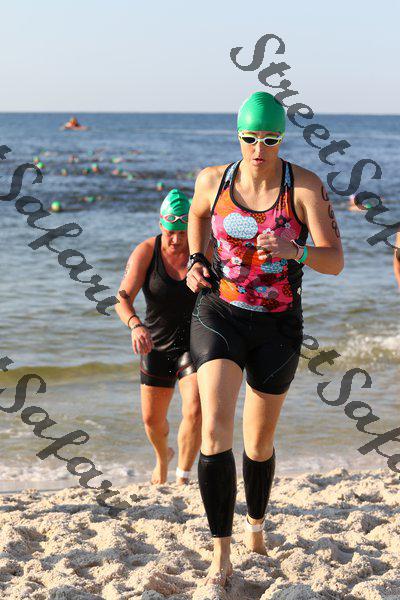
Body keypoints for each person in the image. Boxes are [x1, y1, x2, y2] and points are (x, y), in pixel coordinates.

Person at [186, 91, 344, 589]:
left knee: (257, 444)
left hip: (278, 325)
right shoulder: (213, 181)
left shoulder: (305, 188)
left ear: (282, 138)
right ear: (238, 135)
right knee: (215, 431)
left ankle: (256, 527)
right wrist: (195, 258)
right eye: (250, 138)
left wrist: (296, 250)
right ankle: (220, 553)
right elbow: (196, 216)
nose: (259, 149)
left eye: (270, 139)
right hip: (219, 313)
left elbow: (335, 260)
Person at [115, 189, 208, 485]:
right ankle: (162, 456)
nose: (177, 240)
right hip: (155, 344)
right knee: (152, 421)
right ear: (160, 225)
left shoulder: (204, 251)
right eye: (170, 232)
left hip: (195, 344)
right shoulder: (146, 252)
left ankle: (183, 475)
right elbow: (122, 298)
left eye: (182, 232)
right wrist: (135, 325)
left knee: (195, 409)